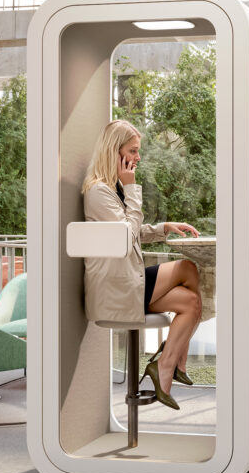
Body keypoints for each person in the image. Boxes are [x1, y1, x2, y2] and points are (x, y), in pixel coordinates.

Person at [81, 119, 202, 410]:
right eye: (133, 151)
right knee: (187, 268)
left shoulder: (113, 188)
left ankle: (164, 366)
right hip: (116, 286)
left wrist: (163, 228)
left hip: (127, 279)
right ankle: (173, 362)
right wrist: (133, 189)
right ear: (115, 150)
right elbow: (126, 234)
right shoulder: (98, 191)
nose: (137, 158)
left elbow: (130, 229)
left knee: (191, 303)